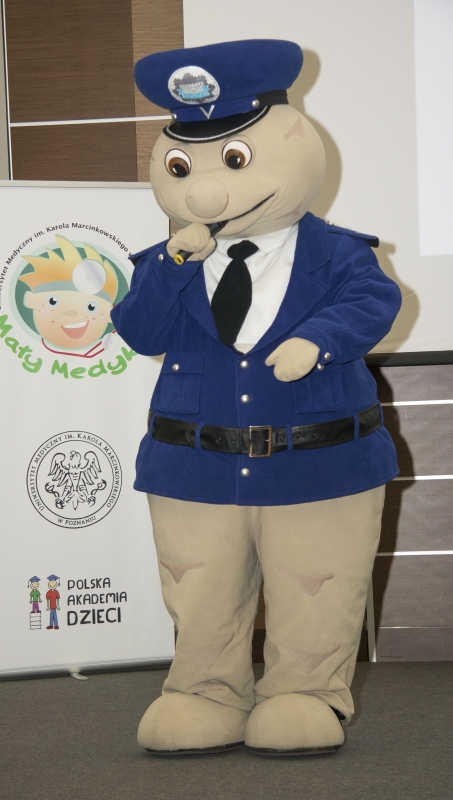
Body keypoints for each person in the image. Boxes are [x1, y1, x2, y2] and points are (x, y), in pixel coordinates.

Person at [111, 39, 401, 756]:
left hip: (319, 466)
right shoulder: (167, 262)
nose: (206, 191)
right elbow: (139, 330)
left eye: (233, 160)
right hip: (196, 469)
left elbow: (374, 300)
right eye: (183, 169)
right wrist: (173, 262)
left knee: (317, 588)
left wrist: (321, 339)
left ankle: (306, 693)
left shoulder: (339, 252)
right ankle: (204, 693)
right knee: (201, 592)